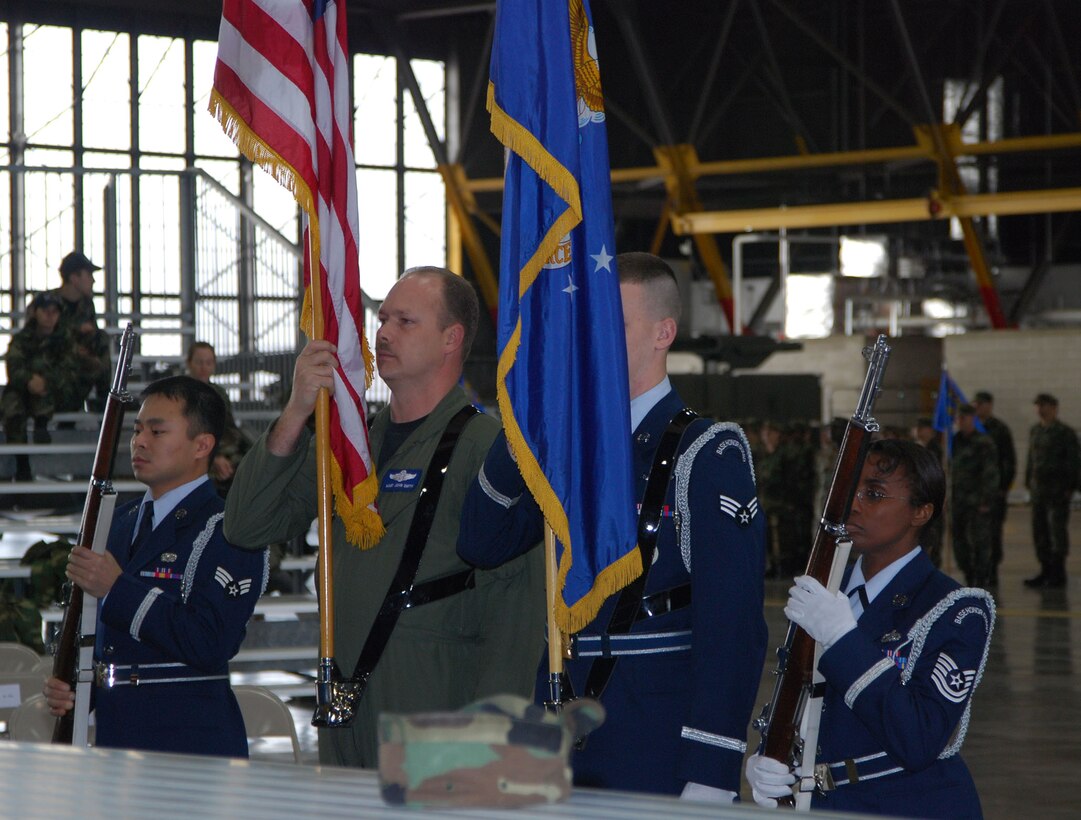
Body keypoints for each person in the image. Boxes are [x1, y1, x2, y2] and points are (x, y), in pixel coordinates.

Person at [457, 252, 767, 800]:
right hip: (556, 724)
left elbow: (733, 625)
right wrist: (521, 430)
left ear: (662, 333)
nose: (593, 340)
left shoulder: (704, 454)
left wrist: (712, 767)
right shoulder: (567, 450)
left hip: (652, 732)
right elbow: (482, 543)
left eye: (614, 324)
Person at [223, 266, 544, 768]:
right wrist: (295, 413)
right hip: (346, 702)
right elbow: (246, 526)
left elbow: (515, 607)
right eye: (383, 318)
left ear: (450, 339)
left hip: (435, 707)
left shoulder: (489, 448)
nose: (384, 333)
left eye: (406, 322)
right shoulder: (353, 447)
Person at [746, 439, 994, 819]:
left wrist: (844, 639)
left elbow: (919, 739)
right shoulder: (830, 591)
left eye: (874, 494)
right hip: (829, 804)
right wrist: (776, 758)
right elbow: (807, 698)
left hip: (912, 804)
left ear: (921, 512)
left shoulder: (957, 608)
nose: (854, 504)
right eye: (851, 490)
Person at [43, 376, 268, 757]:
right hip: (118, 740)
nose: (140, 442)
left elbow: (211, 641)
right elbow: (106, 642)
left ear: (202, 445)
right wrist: (79, 686)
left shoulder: (229, 528)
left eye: (158, 431)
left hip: (191, 744)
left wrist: (117, 589)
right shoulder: (120, 520)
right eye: (137, 430)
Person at [2, 292, 79, 481]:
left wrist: (45, 382)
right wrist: (30, 380)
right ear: (35, 312)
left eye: (54, 311)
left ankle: (42, 423)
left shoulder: (65, 339)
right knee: (12, 404)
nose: (50, 315)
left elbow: (69, 368)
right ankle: (22, 464)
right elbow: (14, 365)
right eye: (45, 311)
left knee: (43, 386)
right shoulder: (23, 338)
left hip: (56, 393)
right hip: (26, 392)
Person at [1023, 393, 1080, 589]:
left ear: (1054, 408)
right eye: (1038, 405)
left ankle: (1058, 572)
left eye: (1044, 405)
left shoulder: (1065, 433)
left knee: (1056, 533)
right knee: (1040, 532)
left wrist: (1071, 487)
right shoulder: (1036, 431)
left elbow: (1074, 462)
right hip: (1039, 491)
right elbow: (1032, 460)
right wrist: (1028, 481)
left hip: (1057, 491)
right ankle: (1045, 569)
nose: (1040, 409)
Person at [47, 251, 111, 410]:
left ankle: (104, 400)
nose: (93, 280)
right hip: (52, 370)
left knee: (101, 338)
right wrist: (74, 335)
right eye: (88, 275)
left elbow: (93, 337)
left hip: (78, 369)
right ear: (74, 278)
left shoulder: (87, 304)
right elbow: (39, 338)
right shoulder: (46, 303)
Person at [185, 341, 250, 495]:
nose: (204, 367)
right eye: (199, 362)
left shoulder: (219, 393)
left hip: (225, 450)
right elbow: (186, 436)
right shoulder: (182, 395)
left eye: (208, 362)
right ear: (189, 363)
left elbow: (230, 428)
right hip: (198, 455)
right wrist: (214, 457)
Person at [951, 404, 1000, 587]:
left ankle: (981, 577)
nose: (961, 422)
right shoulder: (955, 440)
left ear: (973, 419)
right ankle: (968, 573)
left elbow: (991, 474)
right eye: (959, 418)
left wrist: (986, 500)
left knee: (980, 542)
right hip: (959, 501)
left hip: (977, 501)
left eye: (965, 418)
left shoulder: (984, 442)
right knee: (959, 541)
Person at [971, 391, 1015, 586]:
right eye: (975, 404)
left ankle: (992, 570)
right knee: (973, 534)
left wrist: (1004, 486)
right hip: (973, 492)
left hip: (994, 490)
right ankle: (977, 571)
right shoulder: (972, 429)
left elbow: (1008, 460)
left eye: (981, 404)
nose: (977, 407)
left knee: (993, 532)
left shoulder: (999, 429)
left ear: (989, 405)